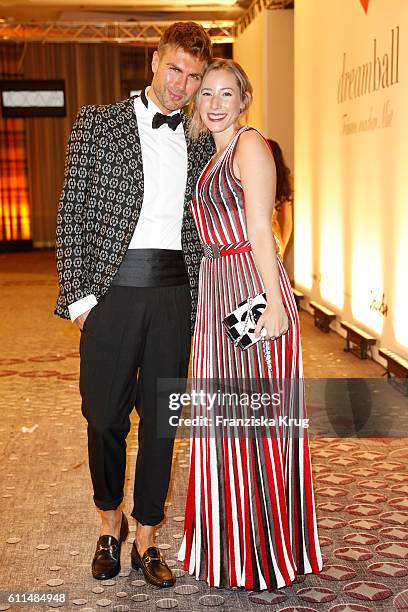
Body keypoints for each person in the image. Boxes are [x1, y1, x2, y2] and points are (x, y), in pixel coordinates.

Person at [55, 22, 214, 588]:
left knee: (162, 426)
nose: (182, 86)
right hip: (112, 294)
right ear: (154, 60)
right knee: (103, 418)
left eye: (194, 77)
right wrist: (80, 300)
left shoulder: (199, 140)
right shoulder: (98, 124)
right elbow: (72, 212)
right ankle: (108, 525)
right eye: (175, 70)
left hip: (175, 296)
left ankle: (146, 536)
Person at [177, 59, 322, 591]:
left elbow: (262, 227)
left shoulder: (249, 146)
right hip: (220, 289)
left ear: (244, 100)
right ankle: (229, 543)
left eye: (226, 94)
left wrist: (276, 305)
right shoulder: (214, 154)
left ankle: (259, 551)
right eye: (206, 93)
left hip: (249, 289)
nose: (214, 103)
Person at [267, 139, 293, 258]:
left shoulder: (257, 178)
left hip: (260, 237)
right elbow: (288, 222)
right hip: (275, 236)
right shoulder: (282, 183)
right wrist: (282, 245)